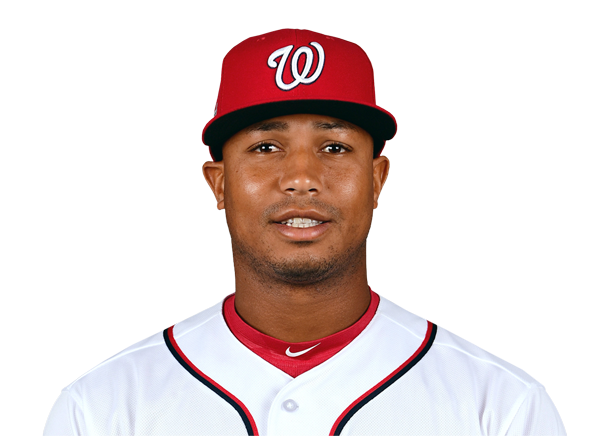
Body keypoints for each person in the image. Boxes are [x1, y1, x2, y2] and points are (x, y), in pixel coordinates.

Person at [43, 28, 567, 436]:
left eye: (335, 148)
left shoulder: (500, 406)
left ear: (378, 179)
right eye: (265, 147)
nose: (300, 178)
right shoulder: (104, 406)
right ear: (219, 184)